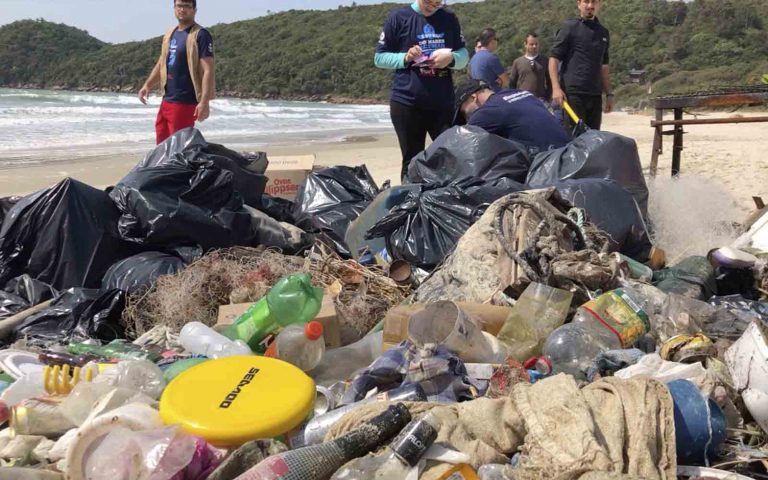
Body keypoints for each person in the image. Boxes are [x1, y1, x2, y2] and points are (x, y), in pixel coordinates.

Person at [375, 0, 469, 180]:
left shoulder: (449, 18)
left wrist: (451, 58)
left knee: (452, 158)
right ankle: (410, 204)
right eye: (428, 2)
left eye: (437, 3)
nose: (432, 7)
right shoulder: (398, 18)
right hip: (407, 103)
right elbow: (379, 58)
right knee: (412, 161)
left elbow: (464, 55)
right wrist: (406, 57)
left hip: (442, 102)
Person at [138, 0, 215, 144]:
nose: (182, 9)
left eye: (187, 6)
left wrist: (204, 101)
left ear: (194, 10)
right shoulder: (170, 34)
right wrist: (147, 85)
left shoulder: (200, 35)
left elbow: (208, 70)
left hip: (185, 102)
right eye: (179, 6)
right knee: (162, 146)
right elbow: (162, 63)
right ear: (174, 8)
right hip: (167, 99)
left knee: (178, 148)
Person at [452, 79, 570, 154]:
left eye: (464, 113)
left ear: (474, 98)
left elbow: (459, 147)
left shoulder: (486, 112)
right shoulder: (521, 93)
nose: (467, 119)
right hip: (567, 152)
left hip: (546, 166)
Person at [549, 0, 613, 133]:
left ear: (599, 4)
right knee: (575, 140)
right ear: (579, 4)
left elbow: (604, 66)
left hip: (595, 95)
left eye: (594, 2)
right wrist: (556, 88)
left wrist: (609, 94)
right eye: (586, 2)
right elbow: (554, 59)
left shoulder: (603, 32)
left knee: (593, 140)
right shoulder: (569, 27)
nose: (590, 6)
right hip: (573, 94)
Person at [509, 33, 551, 101]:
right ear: (525, 44)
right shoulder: (517, 62)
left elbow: (550, 80)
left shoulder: (545, 60)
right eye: (531, 44)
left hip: (541, 99)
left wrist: (548, 96)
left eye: (536, 44)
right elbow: (512, 83)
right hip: (523, 100)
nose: (534, 46)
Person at [469, 28, 509, 92]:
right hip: (493, 96)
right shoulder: (491, 58)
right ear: (492, 40)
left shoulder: (472, 60)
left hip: (480, 98)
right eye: (497, 39)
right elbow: (506, 81)